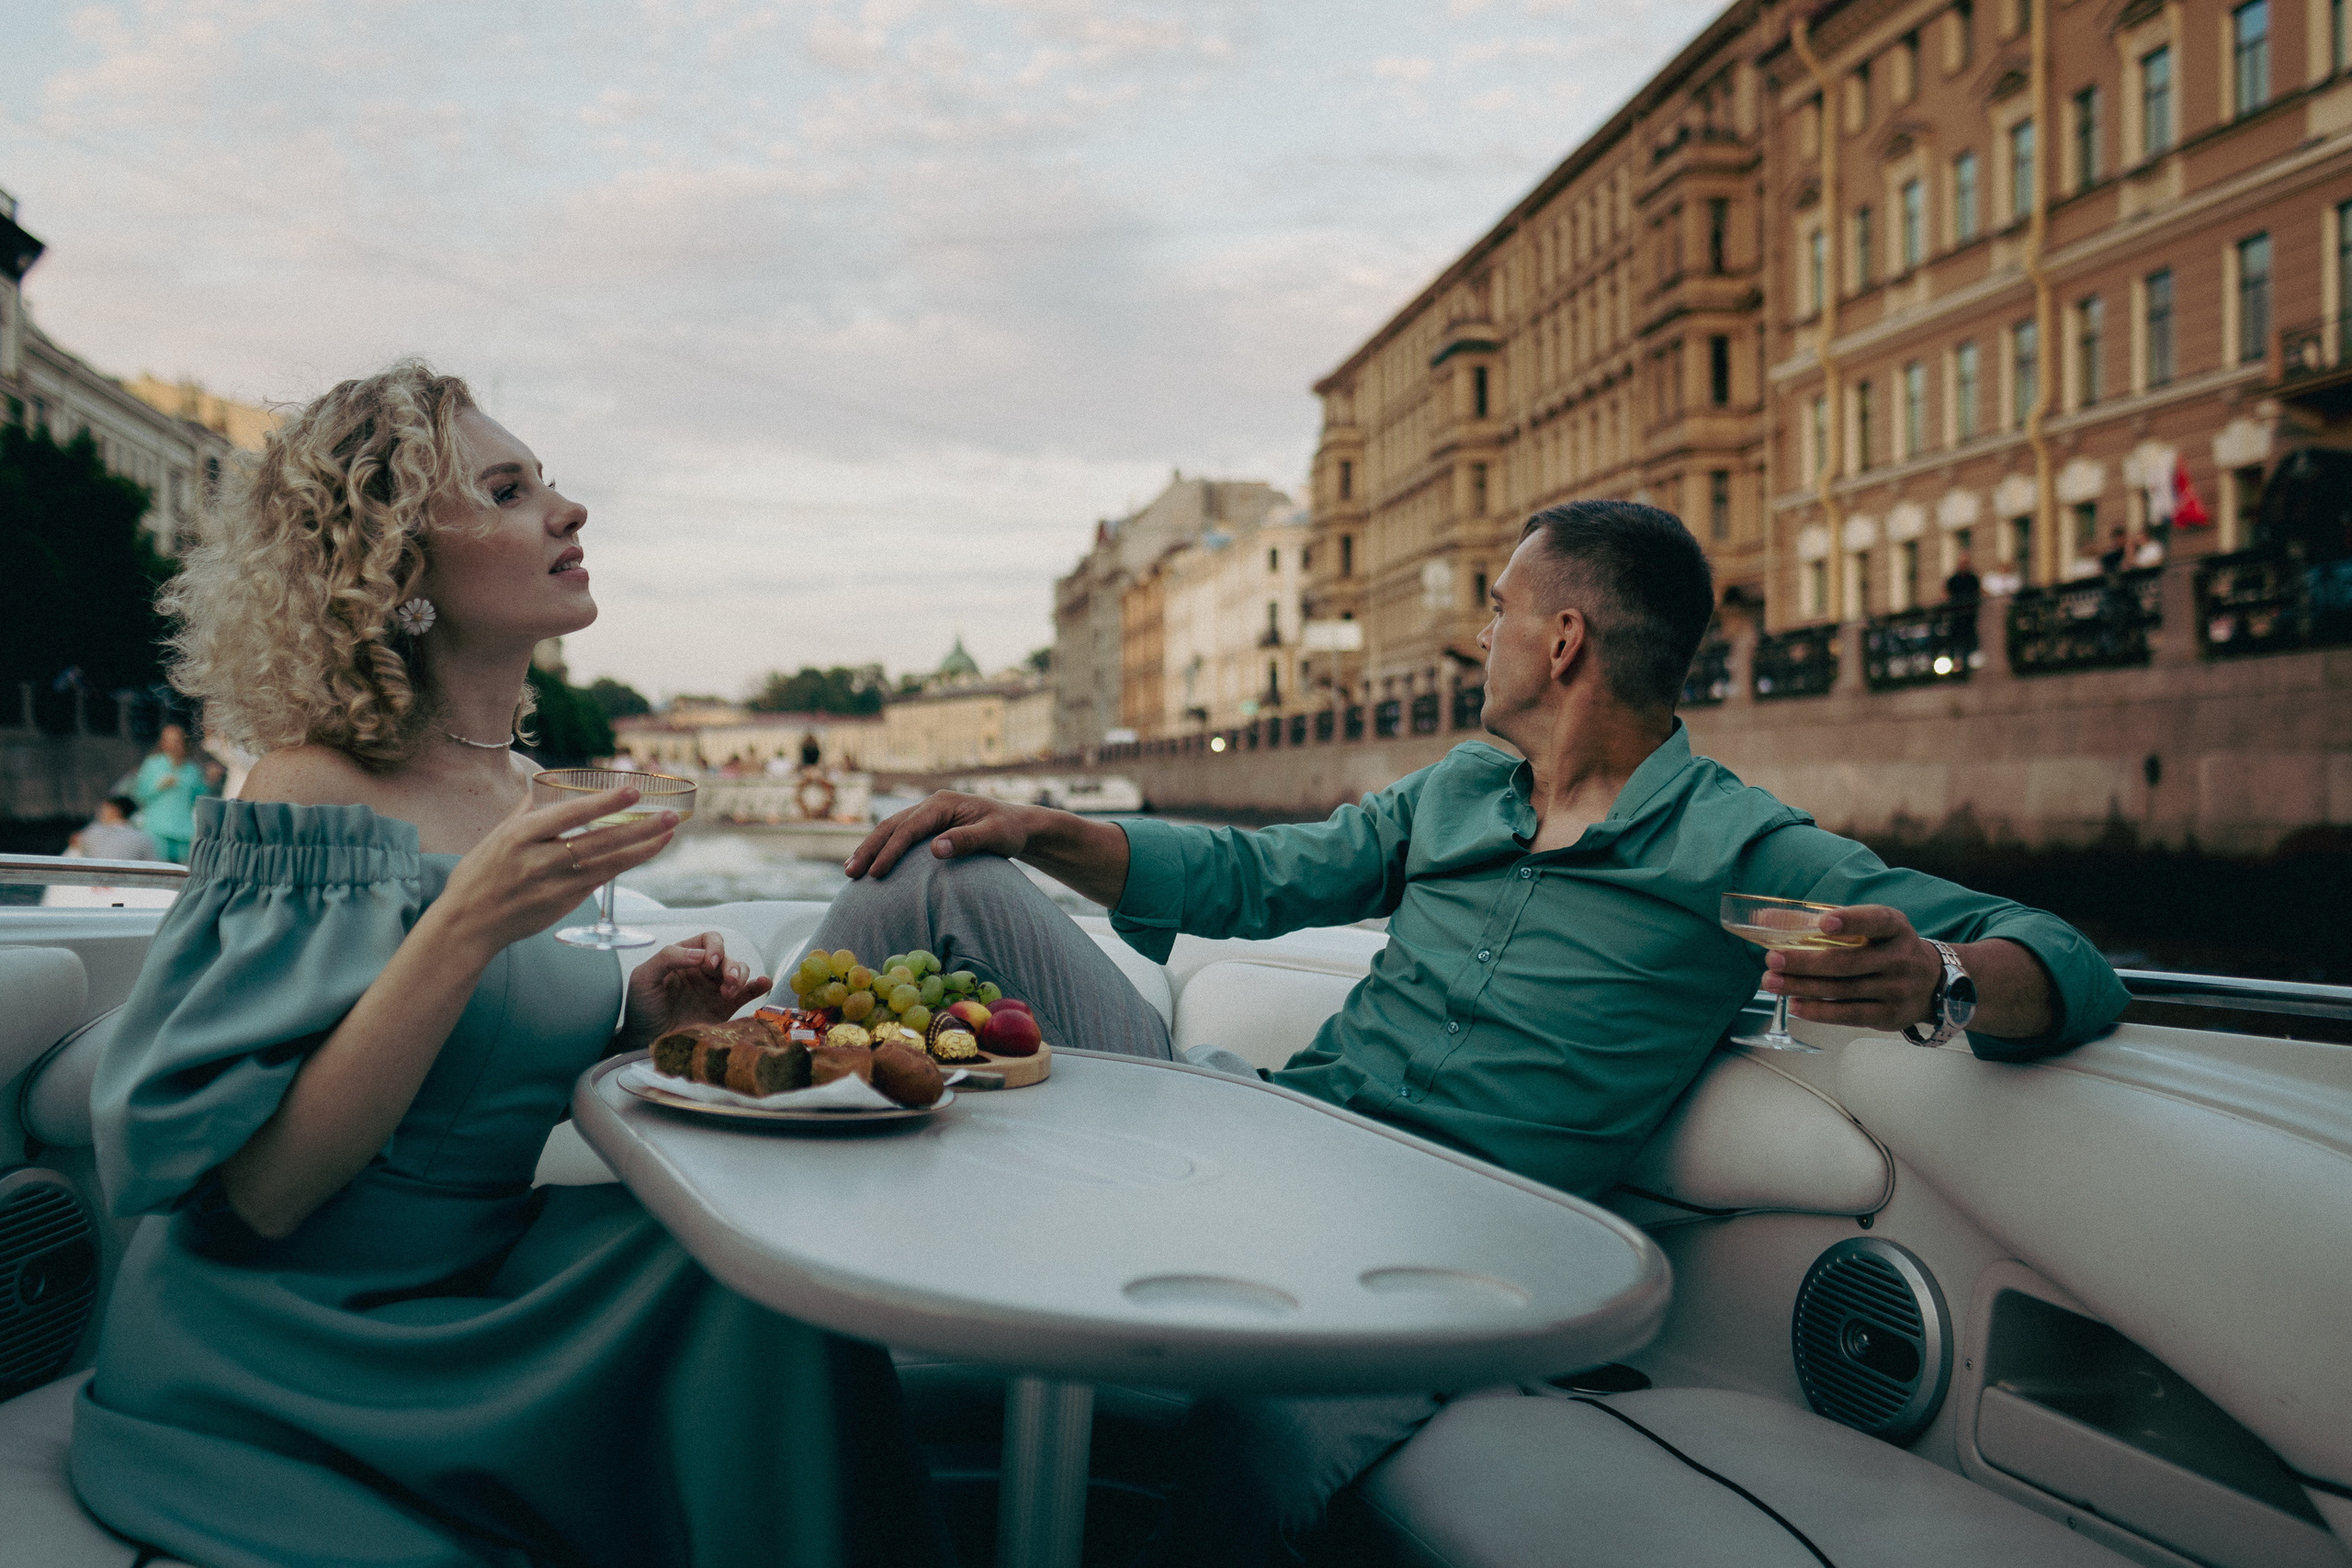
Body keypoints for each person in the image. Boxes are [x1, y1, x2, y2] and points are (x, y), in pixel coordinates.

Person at [826, 500, 2129, 1567]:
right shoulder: (1457, 787)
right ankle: (786, 1165)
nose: (1481, 638)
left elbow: (2064, 954)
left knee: (1253, 1446)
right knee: (931, 870)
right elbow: (1260, 874)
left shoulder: (1736, 844)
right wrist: (1043, 829)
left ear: (1562, 640)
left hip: (1438, 1255)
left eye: (1498, 611)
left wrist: (1946, 974)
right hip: (1263, 1129)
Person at [73, 362, 949, 1568]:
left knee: (782, 1270)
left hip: (480, 1275)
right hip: (289, 1337)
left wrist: (642, 1014)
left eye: (549, 483)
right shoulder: (310, 790)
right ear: (395, 567)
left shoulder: (541, 794)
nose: (567, 512)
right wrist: (466, 920)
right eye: (506, 488)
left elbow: (473, 1066)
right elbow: (262, 1195)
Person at [128, 722, 222, 863]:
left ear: (184, 743)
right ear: (163, 743)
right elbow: (139, 794)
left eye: (177, 741)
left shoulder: (192, 770)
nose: (173, 745)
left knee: (182, 874)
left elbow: (199, 799)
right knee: (158, 872)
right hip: (157, 830)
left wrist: (209, 781)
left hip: (183, 832)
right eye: (169, 741)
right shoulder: (152, 764)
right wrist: (158, 786)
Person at [69, 795, 159, 863]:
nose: (99, 813)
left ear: (115, 811)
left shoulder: (92, 832)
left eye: (104, 809)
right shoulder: (144, 838)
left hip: (96, 884)